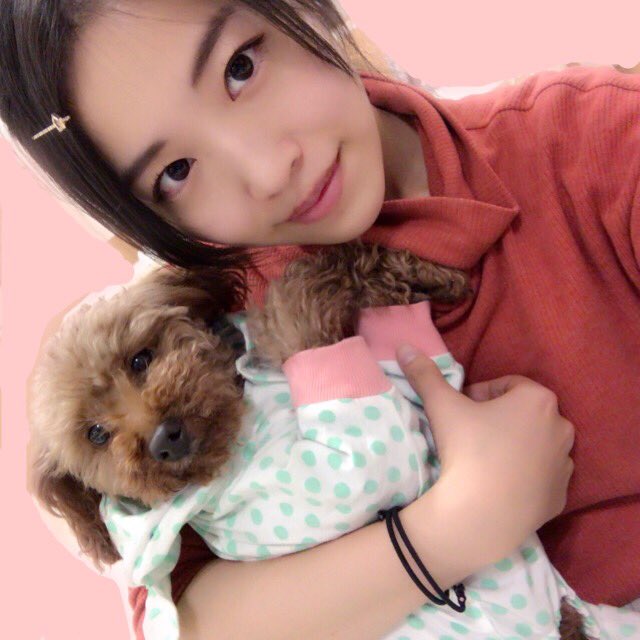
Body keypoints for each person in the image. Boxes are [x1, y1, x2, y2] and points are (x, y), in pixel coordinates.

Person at [1, 1, 638, 638]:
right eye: (176, 172)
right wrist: (458, 527)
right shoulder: (215, 312)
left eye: (240, 68)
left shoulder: (601, 148)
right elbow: (182, 619)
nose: (268, 171)